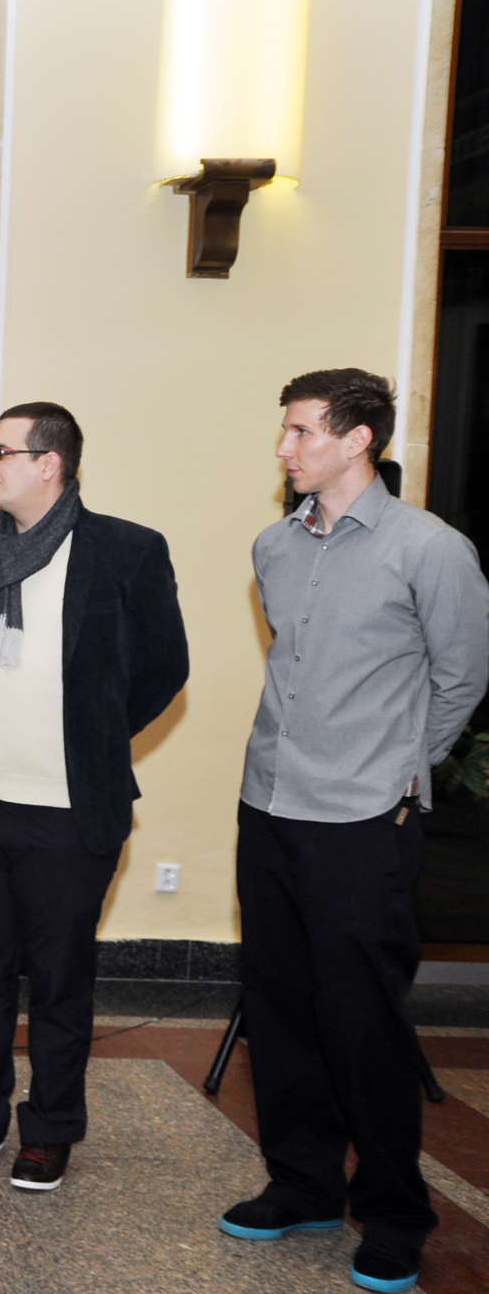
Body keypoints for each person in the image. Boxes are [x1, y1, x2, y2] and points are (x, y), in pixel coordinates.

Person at [219, 370, 489, 1294]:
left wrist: (400, 773)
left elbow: (459, 679)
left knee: (363, 1023)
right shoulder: (274, 545)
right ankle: (299, 1184)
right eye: (285, 431)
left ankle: (394, 1211)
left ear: (356, 439)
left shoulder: (432, 550)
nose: (285, 449)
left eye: (300, 432)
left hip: (363, 822)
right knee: (281, 1010)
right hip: (269, 809)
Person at [0, 403, 188, 1191]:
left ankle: (52, 1127)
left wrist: (96, 740)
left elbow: (163, 668)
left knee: (60, 979)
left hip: (70, 810)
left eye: (3, 452)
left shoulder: (126, 550)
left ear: (52, 464)